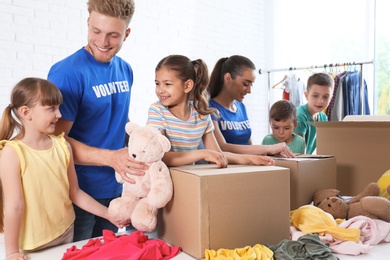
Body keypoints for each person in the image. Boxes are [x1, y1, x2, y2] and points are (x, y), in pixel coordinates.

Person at [47, 0, 147, 241]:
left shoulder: (125, 70)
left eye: (113, 35)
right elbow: (55, 142)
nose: (103, 42)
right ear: (88, 23)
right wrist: (111, 158)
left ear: (127, 33)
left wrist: (145, 143)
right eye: (96, 31)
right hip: (78, 194)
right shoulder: (67, 73)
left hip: (116, 190)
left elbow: (117, 119)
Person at [0, 78, 124, 260]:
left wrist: (108, 214)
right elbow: (14, 207)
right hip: (33, 244)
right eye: (51, 108)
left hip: (66, 233)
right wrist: (11, 252)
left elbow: (74, 192)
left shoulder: (62, 145)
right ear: (27, 112)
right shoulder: (12, 153)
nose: (59, 114)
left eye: (59, 107)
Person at [147, 54, 275, 167]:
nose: (160, 90)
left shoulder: (202, 115)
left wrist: (250, 160)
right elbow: (162, 156)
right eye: (157, 83)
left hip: (187, 180)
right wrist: (203, 154)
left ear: (187, 86)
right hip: (160, 181)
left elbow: (217, 153)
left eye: (167, 84)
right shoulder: (157, 111)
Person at [207, 55, 295, 158]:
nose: (249, 90)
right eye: (245, 84)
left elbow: (248, 145)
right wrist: (268, 148)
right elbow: (221, 147)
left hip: (247, 166)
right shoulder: (210, 107)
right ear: (228, 78)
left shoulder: (241, 107)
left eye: (251, 85)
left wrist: (266, 153)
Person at [294, 72, 334, 154]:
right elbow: (299, 153)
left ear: (330, 98)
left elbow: (324, 147)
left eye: (325, 97)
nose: (320, 101)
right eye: (315, 96)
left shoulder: (323, 117)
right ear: (306, 95)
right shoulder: (300, 116)